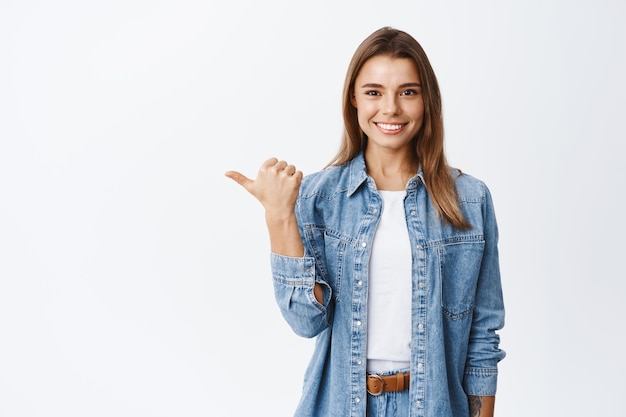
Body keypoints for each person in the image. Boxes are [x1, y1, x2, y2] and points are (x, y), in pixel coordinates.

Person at [225, 26, 505, 417]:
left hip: (436, 404)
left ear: (427, 101)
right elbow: (306, 321)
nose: (390, 108)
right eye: (374, 92)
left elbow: (482, 334)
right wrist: (278, 216)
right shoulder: (318, 198)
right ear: (353, 99)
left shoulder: (470, 200)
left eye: (408, 92)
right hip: (341, 404)